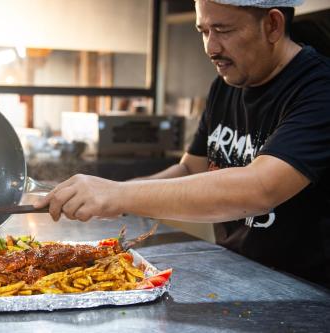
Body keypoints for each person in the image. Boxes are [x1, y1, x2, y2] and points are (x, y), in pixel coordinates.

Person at [35, 0, 330, 288]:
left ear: (273, 25)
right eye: (203, 31)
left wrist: (119, 194)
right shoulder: (227, 85)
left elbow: (261, 188)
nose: (211, 48)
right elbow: (191, 168)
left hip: (305, 291)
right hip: (239, 273)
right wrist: (113, 197)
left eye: (223, 30)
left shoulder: (318, 88)